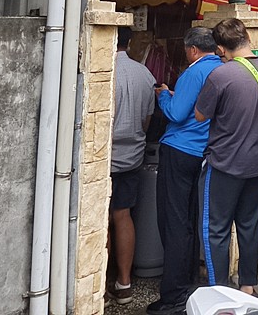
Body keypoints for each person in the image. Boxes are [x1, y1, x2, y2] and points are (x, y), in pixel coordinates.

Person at [194, 19, 258, 295]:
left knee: (215, 229)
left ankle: (219, 289)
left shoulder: (220, 75)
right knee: (249, 224)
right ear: (247, 38)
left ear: (220, 48)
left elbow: (200, 115)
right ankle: (248, 285)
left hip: (224, 163)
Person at [148, 27, 222, 315]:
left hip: (179, 149)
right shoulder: (220, 69)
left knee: (174, 221)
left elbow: (176, 113)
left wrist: (164, 96)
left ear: (192, 50)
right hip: (202, 152)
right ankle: (188, 281)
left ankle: (173, 294)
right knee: (190, 218)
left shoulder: (194, 72)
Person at [107, 28, 156, 306]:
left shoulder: (102, 71)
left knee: (100, 220)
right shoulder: (145, 74)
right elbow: (147, 121)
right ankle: (124, 283)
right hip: (132, 157)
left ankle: (100, 284)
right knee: (123, 215)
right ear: (128, 43)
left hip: (104, 158)